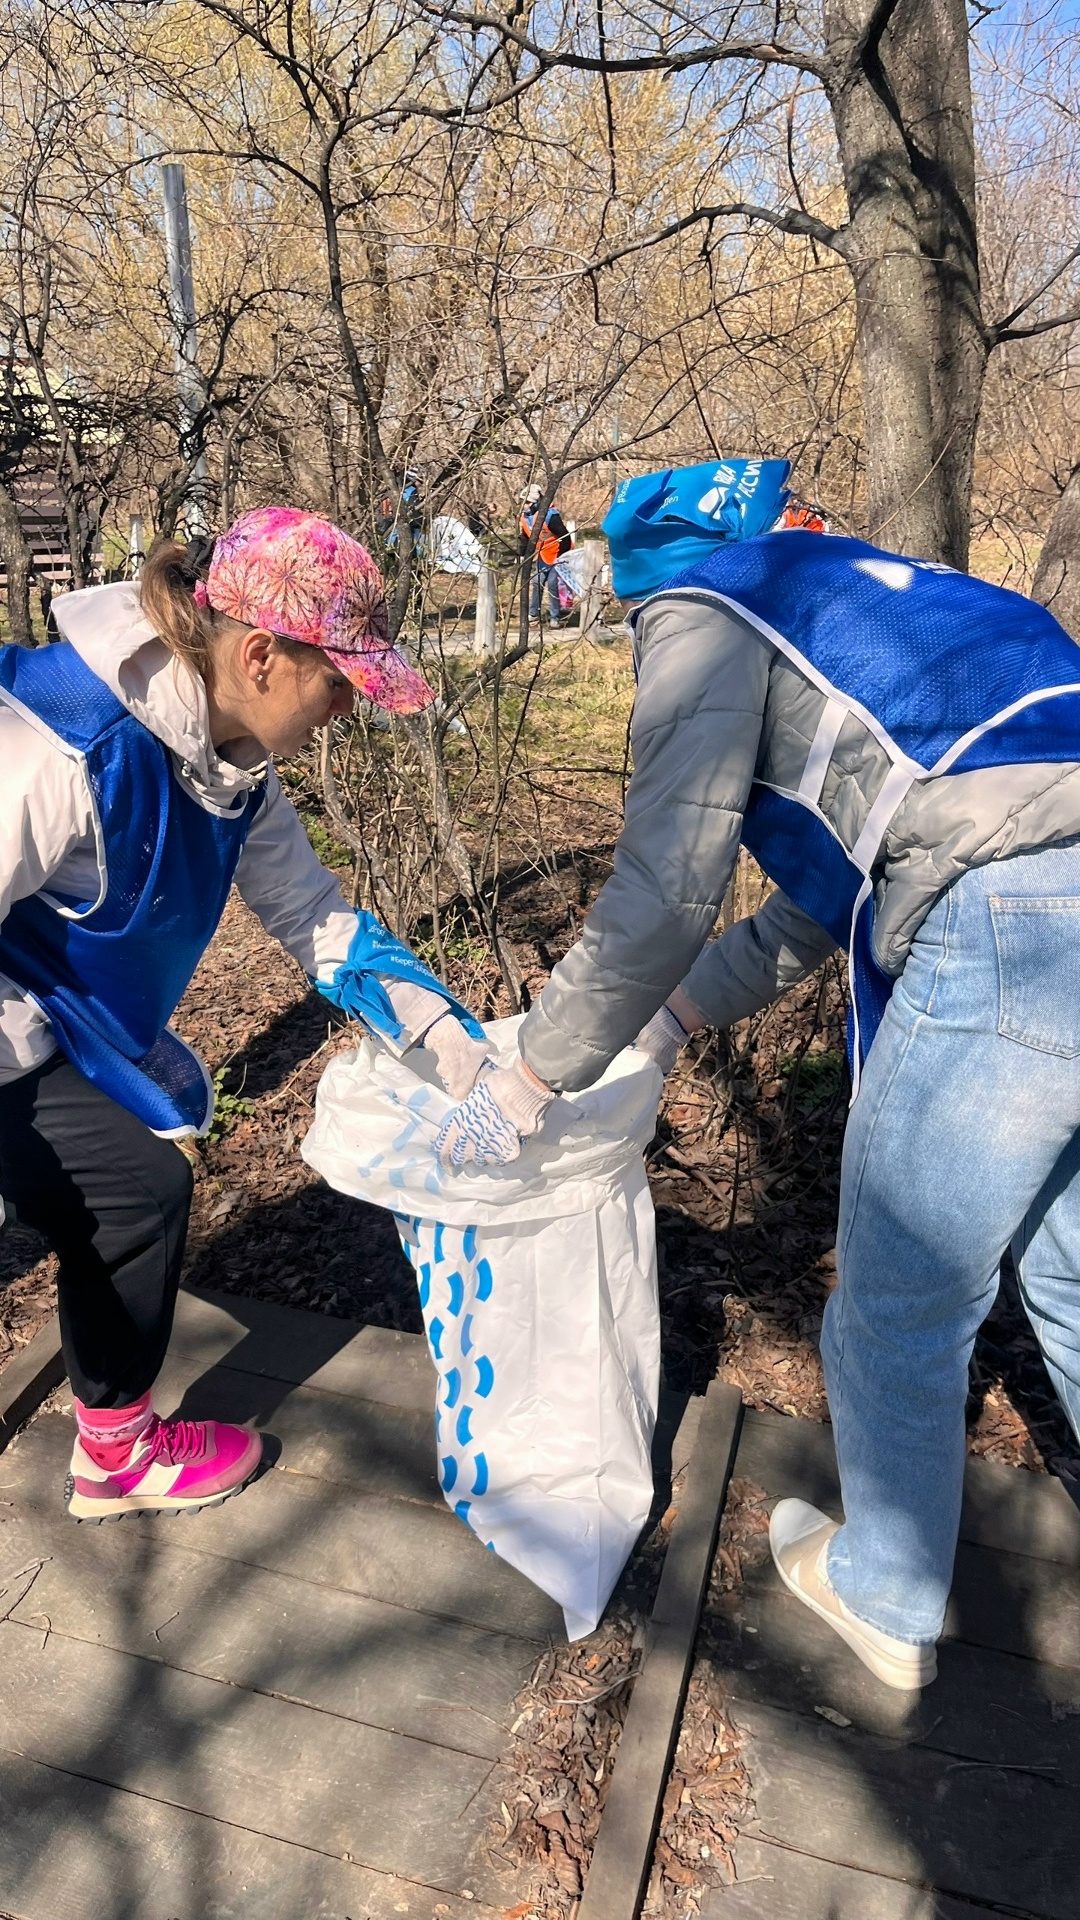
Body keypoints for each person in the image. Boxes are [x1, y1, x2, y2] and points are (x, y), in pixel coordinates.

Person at [436, 455, 1080, 1692]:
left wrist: (531, 1076)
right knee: (1065, 1268)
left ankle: (887, 1594)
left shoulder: (703, 606)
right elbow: (817, 907)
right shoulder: (856, 591)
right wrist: (672, 1018)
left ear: (653, 586)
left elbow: (667, 883)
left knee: (903, 1295)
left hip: (1011, 914)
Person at [0, 506, 491, 1522]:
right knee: (132, 1189)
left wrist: (447, 1038)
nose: (348, 712)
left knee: (127, 1187)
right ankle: (117, 1459)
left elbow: (313, 914)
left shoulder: (234, 767)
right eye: (340, 684)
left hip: (69, 1021)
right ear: (263, 656)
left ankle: (112, 1447)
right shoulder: (55, 747)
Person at [519, 484, 573, 625]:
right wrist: (521, 555)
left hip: (559, 553)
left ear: (535, 503)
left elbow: (565, 537)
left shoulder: (550, 516)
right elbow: (525, 538)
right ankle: (533, 614)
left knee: (552, 584)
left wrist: (561, 557)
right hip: (544, 554)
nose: (523, 506)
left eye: (527, 503)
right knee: (537, 582)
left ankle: (555, 617)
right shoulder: (524, 518)